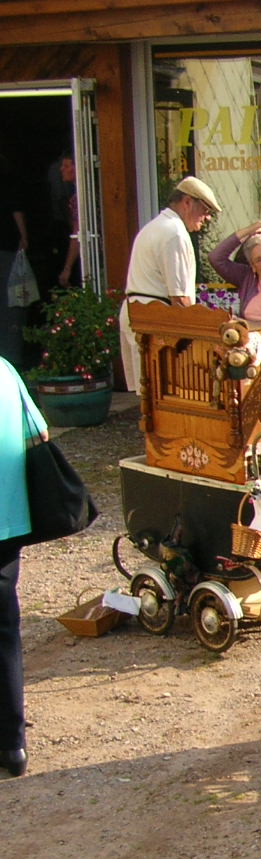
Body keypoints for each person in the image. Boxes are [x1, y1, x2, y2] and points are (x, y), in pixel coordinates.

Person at [118, 176, 219, 396]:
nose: (207, 218)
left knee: (150, 398)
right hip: (153, 319)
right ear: (187, 202)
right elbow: (180, 299)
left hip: (140, 313)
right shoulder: (175, 233)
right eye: (204, 210)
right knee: (164, 397)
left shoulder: (156, 226)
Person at [0, 357, 48, 777]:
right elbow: (40, 434)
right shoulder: (4, 370)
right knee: (4, 632)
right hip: (6, 520)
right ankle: (13, 745)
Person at [207, 218, 261, 323]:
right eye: (259, 260)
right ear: (253, 266)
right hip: (249, 336)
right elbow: (216, 258)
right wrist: (250, 230)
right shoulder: (246, 277)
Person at [0, 158, 29, 367]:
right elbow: (16, 209)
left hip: (7, 248)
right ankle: (11, 360)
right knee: (12, 304)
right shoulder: (8, 182)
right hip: (7, 248)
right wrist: (24, 236)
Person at [57, 155, 79, 289]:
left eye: (66, 166)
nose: (61, 169)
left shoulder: (78, 199)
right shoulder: (76, 197)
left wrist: (67, 268)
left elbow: (77, 234)